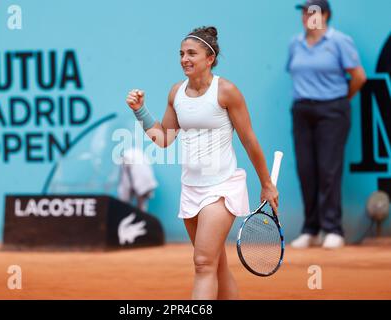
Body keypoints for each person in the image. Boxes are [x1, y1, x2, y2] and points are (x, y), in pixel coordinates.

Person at [126, 26, 279, 300]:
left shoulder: (227, 91)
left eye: (191, 53)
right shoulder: (176, 93)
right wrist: (140, 111)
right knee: (217, 266)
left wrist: (266, 184)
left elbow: (250, 141)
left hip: (222, 188)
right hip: (191, 189)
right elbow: (163, 139)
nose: (184, 58)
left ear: (210, 58)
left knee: (202, 263)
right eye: (181, 53)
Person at [287, 0, 367, 249]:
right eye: (303, 12)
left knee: (328, 170)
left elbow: (358, 77)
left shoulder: (339, 41)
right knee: (306, 170)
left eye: (312, 12)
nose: (306, 16)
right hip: (302, 111)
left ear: (326, 16)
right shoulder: (295, 43)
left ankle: (333, 229)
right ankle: (310, 230)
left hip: (332, 110)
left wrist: (340, 100)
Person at [117, 147, 158, 211]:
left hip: (144, 184)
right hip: (145, 183)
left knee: (139, 208)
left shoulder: (131, 157)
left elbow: (125, 190)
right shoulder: (135, 155)